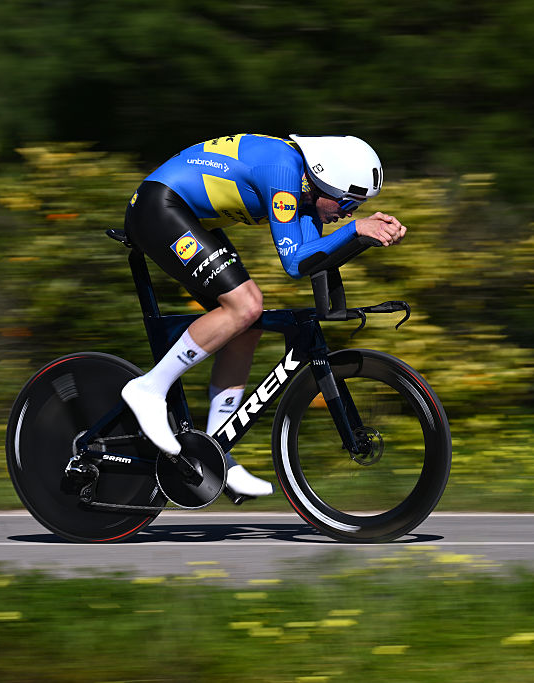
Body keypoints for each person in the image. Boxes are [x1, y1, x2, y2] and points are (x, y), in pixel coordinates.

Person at [120, 134, 406, 497]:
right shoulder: (283, 172)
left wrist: (362, 237)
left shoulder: (306, 193)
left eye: (358, 206)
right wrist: (354, 230)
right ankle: (149, 389)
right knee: (246, 305)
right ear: (322, 180)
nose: (349, 212)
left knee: (247, 323)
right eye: (349, 202)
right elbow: (292, 261)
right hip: (158, 207)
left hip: (187, 216)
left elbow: (309, 261)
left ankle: (217, 451)